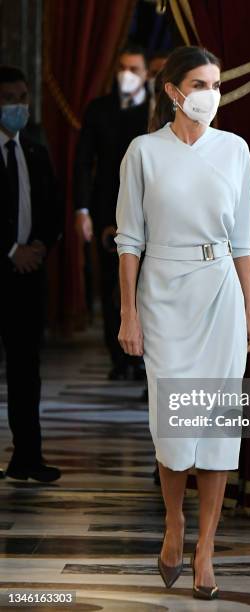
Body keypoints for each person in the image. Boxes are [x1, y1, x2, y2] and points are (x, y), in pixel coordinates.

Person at [115, 46, 250, 600]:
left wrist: (249, 310)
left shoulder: (236, 150)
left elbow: (243, 240)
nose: (211, 94)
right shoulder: (143, 152)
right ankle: (174, 521)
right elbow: (129, 240)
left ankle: (206, 546)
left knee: (219, 424)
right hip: (162, 295)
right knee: (174, 423)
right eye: (200, 83)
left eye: (218, 84)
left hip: (220, 290)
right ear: (173, 90)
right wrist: (129, 311)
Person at [74, 42, 150, 381]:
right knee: (112, 285)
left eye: (134, 69)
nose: (127, 75)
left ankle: (144, 358)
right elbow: (82, 163)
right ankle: (118, 358)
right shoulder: (98, 109)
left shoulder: (156, 110)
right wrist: (83, 209)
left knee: (146, 286)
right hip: (109, 210)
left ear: (146, 74)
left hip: (150, 211)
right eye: (122, 67)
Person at [0, 65, 61, 482]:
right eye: (9, 98)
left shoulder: (35, 151)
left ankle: (27, 457)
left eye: (23, 97)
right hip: (1, 268)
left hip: (27, 279)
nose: (19, 105)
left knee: (26, 369)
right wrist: (10, 250)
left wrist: (39, 245)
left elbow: (52, 207)